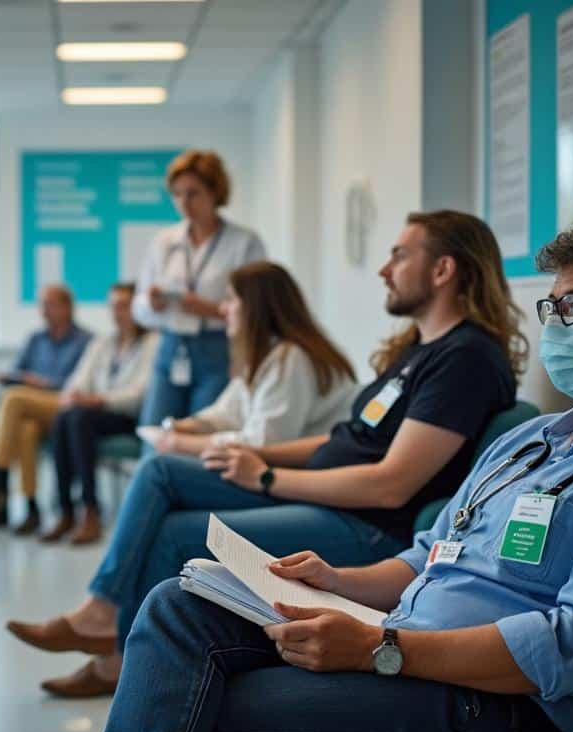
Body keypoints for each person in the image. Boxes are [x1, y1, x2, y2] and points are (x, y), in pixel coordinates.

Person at [96, 205, 573, 732]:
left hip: (492, 704)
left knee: (197, 708)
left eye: (571, 310)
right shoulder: (534, 438)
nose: (555, 329)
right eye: (552, 310)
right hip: (401, 642)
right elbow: (431, 552)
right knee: (180, 604)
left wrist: (376, 649)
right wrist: (336, 582)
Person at [8, 210, 525, 697]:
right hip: (329, 498)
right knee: (164, 472)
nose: (384, 269)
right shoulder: (419, 352)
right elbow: (340, 442)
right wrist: (262, 460)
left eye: (398, 255)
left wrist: (268, 479)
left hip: (364, 524)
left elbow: (390, 483)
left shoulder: (465, 360)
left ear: (442, 269)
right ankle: (109, 625)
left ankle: (129, 657)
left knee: (171, 526)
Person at [151, 262, 356, 459]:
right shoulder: (266, 355)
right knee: (166, 466)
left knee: (160, 469)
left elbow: (264, 443)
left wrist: (179, 443)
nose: (222, 309)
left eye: (230, 299)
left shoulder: (292, 358)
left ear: (255, 307)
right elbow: (228, 412)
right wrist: (185, 426)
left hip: (304, 476)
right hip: (285, 470)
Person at [132, 149, 267, 433]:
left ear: (215, 192)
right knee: (154, 433)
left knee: (202, 435)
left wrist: (207, 309)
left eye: (193, 193)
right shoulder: (164, 241)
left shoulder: (244, 243)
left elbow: (258, 309)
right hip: (171, 346)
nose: (184, 203)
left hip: (217, 349)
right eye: (177, 194)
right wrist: (152, 304)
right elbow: (139, 308)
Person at [35, 282, 159, 544]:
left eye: (124, 306)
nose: (117, 312)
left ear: (138, 308)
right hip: (93, 414)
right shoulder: (103, 342)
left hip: (126, 417)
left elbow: (139, 395)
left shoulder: (153, 342)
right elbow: (77, 380)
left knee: (78, 417)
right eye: (113, 306)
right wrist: (74, 395)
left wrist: (97, 399)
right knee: (66, 416)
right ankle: (67, 511)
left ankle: (90, 511)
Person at [0, 283, 91, 527]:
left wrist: (42, 383)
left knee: (13, 398)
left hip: (62, 404)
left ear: (67, 307)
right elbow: (18, 370)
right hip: (31, 407)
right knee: (25, 429)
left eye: (50, 304)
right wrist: (13, 377)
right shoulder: (35, 339)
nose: (44, 311)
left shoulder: (86, 341)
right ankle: (31, 508)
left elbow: (81, 384)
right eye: (42, 305)